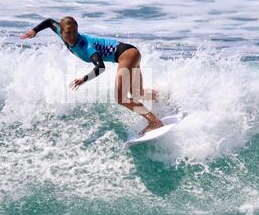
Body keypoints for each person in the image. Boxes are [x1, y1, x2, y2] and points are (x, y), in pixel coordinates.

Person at [20, 16, 163, 134]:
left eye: (74, 32)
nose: (72, 36)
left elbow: (100, 67)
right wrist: (35, 30)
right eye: (68, 33)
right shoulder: (60, 31)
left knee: (121, 98)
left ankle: (154, 121)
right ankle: (161, 96)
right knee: (138, 93)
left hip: (126, 55)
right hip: (132, 52)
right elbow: (49, 22)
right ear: (61, 32)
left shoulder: (85, 46)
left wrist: (84, 79)